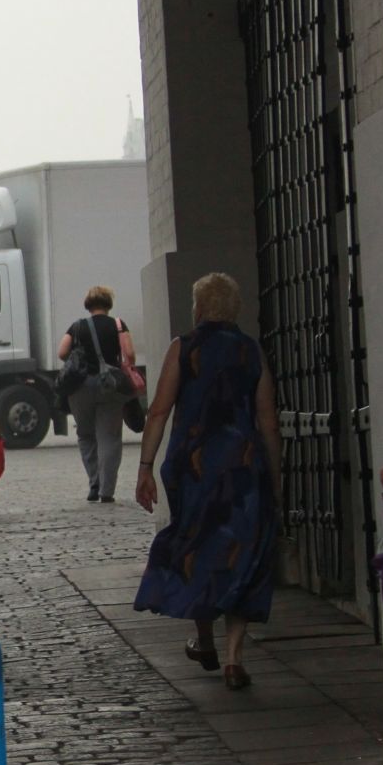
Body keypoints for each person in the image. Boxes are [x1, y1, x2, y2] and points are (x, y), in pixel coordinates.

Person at [133, 272, 279, 690]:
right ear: (235, 307)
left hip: (195, 470)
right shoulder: (251, 351)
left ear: (197, 307)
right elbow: (267, 421)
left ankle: (204, 638)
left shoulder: (185, 347)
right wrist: (274, 475)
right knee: (243, 552)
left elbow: (159, 410)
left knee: (198, 546)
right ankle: (234, 658)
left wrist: (145, 465)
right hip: (243, 467)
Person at [58, 287, 137, 503]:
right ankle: (107, 491)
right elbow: (129, 354)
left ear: (88, 304)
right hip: (110, 385)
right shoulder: (118, 325)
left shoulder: (77, 326)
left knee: (85, 434)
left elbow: (62, 352)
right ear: (108, 303)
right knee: (109, 437)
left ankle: (94, 482)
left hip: (81, 387)